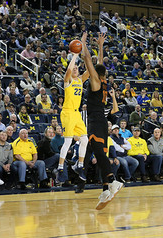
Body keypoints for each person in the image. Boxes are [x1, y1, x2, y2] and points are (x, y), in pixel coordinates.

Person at [80, 32, 123, 210]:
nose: (88, 72)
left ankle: (112, 181)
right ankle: (105, 188)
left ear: (94, 75)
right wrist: (100, 46)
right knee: (99, 155)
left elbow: (88, 59)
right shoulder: (103, 80)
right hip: (100, 122)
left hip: (96, 121)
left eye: (91, 73)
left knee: (98, 153)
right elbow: (99, 64)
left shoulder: (96, 82)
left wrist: (83, 43)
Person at [56, 49, 89, 184]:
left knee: (85, 139)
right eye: (73, 67)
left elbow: (89, 71)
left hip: (77, 113)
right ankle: (60, 167)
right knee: (68, 141)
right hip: (68, 112)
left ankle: (79, 165)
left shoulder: (80, 80)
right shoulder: (68, 80)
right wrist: (75, 56)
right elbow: (68, 71)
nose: (75, 69)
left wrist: (87, 57)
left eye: (77, 68)